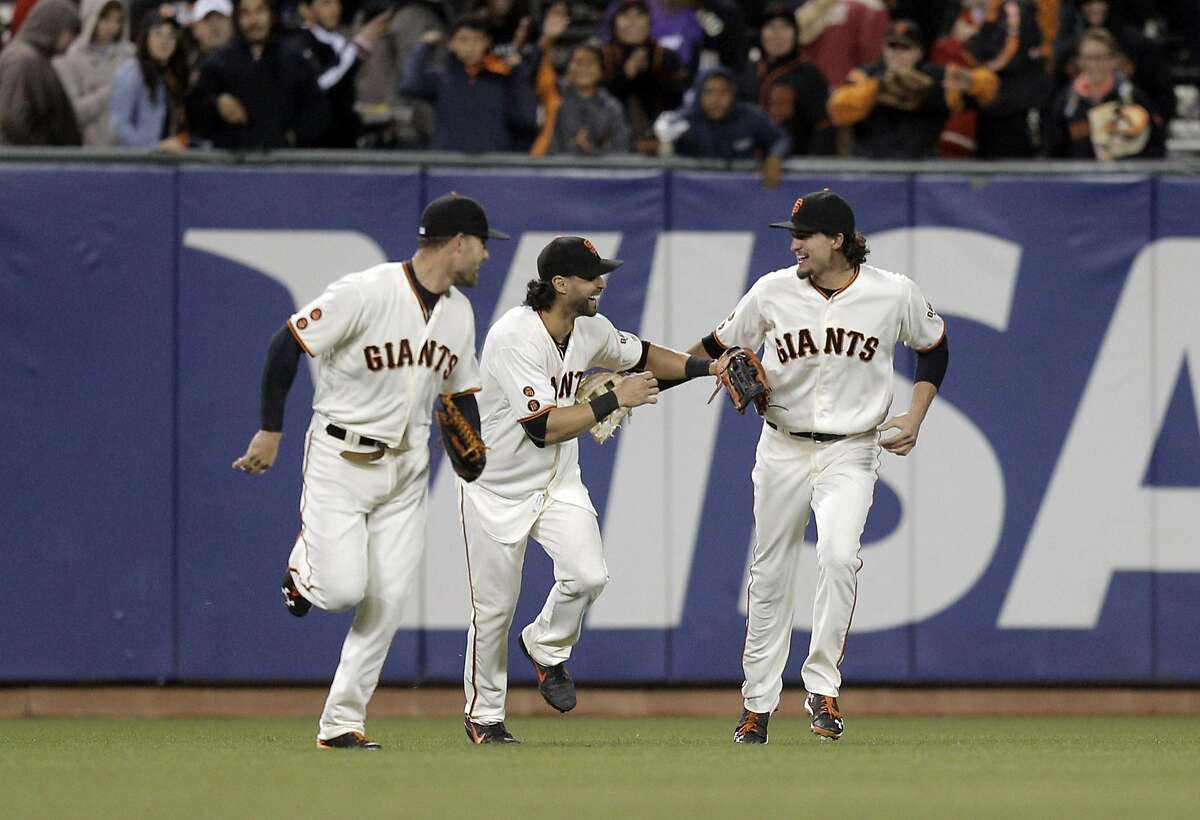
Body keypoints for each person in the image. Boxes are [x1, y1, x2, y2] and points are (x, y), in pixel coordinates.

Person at [232, 194, 506, 750]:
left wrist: (473, 448)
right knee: (339, 590)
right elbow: (286, 345)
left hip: (407, 471)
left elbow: (461, 393)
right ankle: (302, 569)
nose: (485, 256)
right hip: (340, 460)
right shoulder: (367, 291)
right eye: (481, 244)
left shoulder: (459, 313)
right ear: (457, 242)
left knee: (386, 601)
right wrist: (270, 429)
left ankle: (340, 724)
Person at [686, 190, 948, 744]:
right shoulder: (772, 290)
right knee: (770, 573)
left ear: (838, 241)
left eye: (804, 235)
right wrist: (647, 378)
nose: (794, 243)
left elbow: (935, 346)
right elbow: (714, 346)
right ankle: (757, 705)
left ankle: (822, 688)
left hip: (852, 448)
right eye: (793, 234)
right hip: (781, 445)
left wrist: (917, 414)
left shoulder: (892, 292)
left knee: (837, 555)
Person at [460, 236, 719, 744]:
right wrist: (612, 400)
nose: (601, 281)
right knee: (493, 609)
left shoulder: (589, 327)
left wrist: (709, 366)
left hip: (557, 481)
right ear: (559, 284)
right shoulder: (515, 336)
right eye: (590, 274)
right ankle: (485, 715)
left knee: (589, 575)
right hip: (496, 488)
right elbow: (542, 428)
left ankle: (545, 646)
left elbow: (643, 354)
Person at [827, 19, 998, 158]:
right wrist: (877, 88)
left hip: (921, 168)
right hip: (872, 167)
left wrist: (971, 82)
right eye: (893, 46)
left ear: (919, 52)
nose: (897, 54)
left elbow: (989, 92)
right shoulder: (865, 75)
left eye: (906, 47)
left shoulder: (937, 77)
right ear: (884, 48)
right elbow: (837, 110)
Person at [186, 0, 330, 150]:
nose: (254, 20)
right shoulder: (217, 64)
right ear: (237, 18)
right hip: (233, 166)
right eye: (246, 13)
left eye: (260, 10)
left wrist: (293, 135)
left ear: (271, 14)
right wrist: (216, 103)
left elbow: (318, 111)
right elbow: (195, 115)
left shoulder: (294, 61)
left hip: (285, 164)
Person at [399, 14, 539, 152]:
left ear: (487, 42)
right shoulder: (441, 79)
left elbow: (526, 119)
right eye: (463, 40)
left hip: (494, 164)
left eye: (477, 39)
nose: (471, 46)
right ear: (452, 44)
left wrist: (518, 73)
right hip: (447, 164)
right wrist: (424, 46)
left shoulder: (503, 78)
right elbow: (410, 85)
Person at [656, 66, 788, 188]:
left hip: (741, 192)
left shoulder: (749, 116)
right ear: (698, 94)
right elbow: (659, 136)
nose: (716, 99)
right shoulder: (685, 120)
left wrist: (775, 157)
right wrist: (663, 146)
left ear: (733, 94)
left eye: (723, 92)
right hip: (694, 195)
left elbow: (780, 138)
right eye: (709, 92)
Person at [1043, 26, 1164, 160]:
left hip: (1126, 177)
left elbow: (1156, 143)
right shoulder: (1066, 103)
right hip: (1078, 178)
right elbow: (1053, 151)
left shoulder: (1132, 98)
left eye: (1100, 58)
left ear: (1114, 60)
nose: (1094, 65)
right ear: (1079, 61)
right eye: (1088, 58)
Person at [290, 0, 392, 147]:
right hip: (315, 148)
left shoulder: (340, 42)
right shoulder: (297, 45)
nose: (336, 9)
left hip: (346, 141)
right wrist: (359, 47)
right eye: (327, 3)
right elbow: (317, 86)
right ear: (306, 10)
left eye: (338, 2)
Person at [531, 12, 632, 157]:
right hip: (553, 173)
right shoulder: (554, 94)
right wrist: (546, 40)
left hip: (598, 176)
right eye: (578, 62)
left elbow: (622, 150)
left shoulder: (612, 107)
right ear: (568, 68)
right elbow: (537, 74)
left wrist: (591, 151)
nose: (584, 69)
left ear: (601, 71)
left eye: (590, 63)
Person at [741, 3, 831, 156]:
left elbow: (823, 126)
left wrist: (812, 168)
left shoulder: (809, 73)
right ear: (761, 33)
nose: (778, 34)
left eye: (785, 27)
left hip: (795, 164)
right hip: (748, 165)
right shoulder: (750, 70)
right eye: (771, 27)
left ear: (795, 33)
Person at [600, 0, 688, 155]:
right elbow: (596, 99)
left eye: (640, 15)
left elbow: (678, 101)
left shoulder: (665, 55)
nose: (632, 22)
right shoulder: (603, 55)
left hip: (661, 142)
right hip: (610, 140)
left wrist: (651, 74)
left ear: (650, 21)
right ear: (614, 22)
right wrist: (626, 74)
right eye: (625, 15)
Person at [52, 0, 134, 147]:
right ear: (91, 17)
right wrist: (109, 92)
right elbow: (73, 113)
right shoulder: (72, 57)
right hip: (89, 151)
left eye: (118, 20)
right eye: (106, 19)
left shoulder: (130, 55)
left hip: (126, 150)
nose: (112, 26)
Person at [0, 0, 82, 146]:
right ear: (53, 26)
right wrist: (41, 153)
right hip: (33, 163)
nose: (71, 41)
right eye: (69, 32)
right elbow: (13, 119)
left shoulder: (35, 58)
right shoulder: (23, 60)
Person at [110, 7, 190, 150]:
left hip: (165, 163)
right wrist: (154, 148)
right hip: (139, 165)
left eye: (171, 35)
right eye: (158, 33)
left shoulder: (170, 75)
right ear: (146, 36)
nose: (165, 41)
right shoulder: (131, 72)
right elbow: (119, 128)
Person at [187, 0, 235, 81]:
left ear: (232, 23)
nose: (214, 25)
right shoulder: (184, 71)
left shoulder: (252, 63)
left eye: (220, 17)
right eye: (207, 18)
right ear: (194, 29)